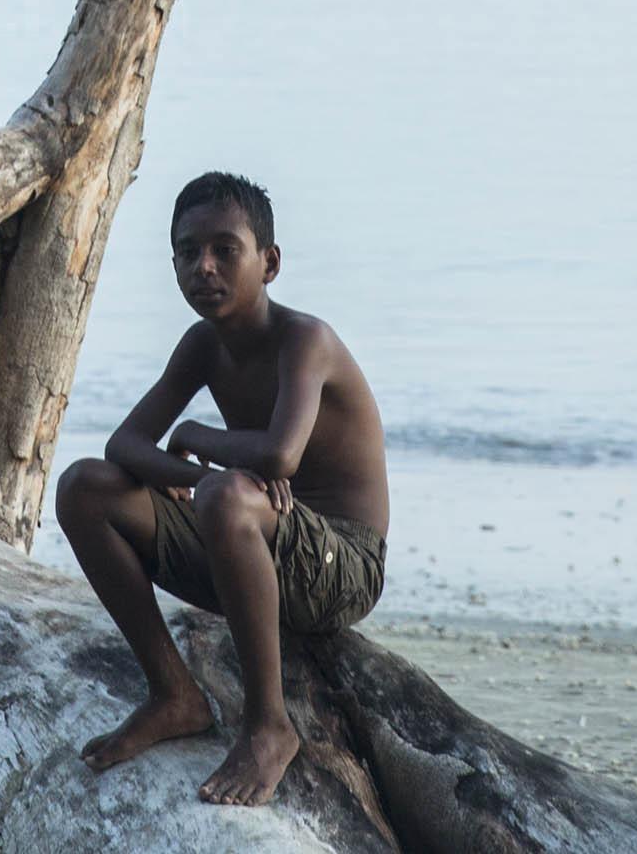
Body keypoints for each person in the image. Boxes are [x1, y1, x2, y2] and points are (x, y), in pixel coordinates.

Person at [53, 172, 391, 808]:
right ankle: (173, 693)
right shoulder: (203, 345)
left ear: (270, 263)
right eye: (187, 253)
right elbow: (123, 447)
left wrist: (193, 436)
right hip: (248, 542)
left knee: (228, 496)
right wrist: (198, 479)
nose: (203, 267)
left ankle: (269, 724)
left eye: (224, 250)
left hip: (342, 565)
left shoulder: (304, 340)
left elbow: (279, 455)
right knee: (83, 489)